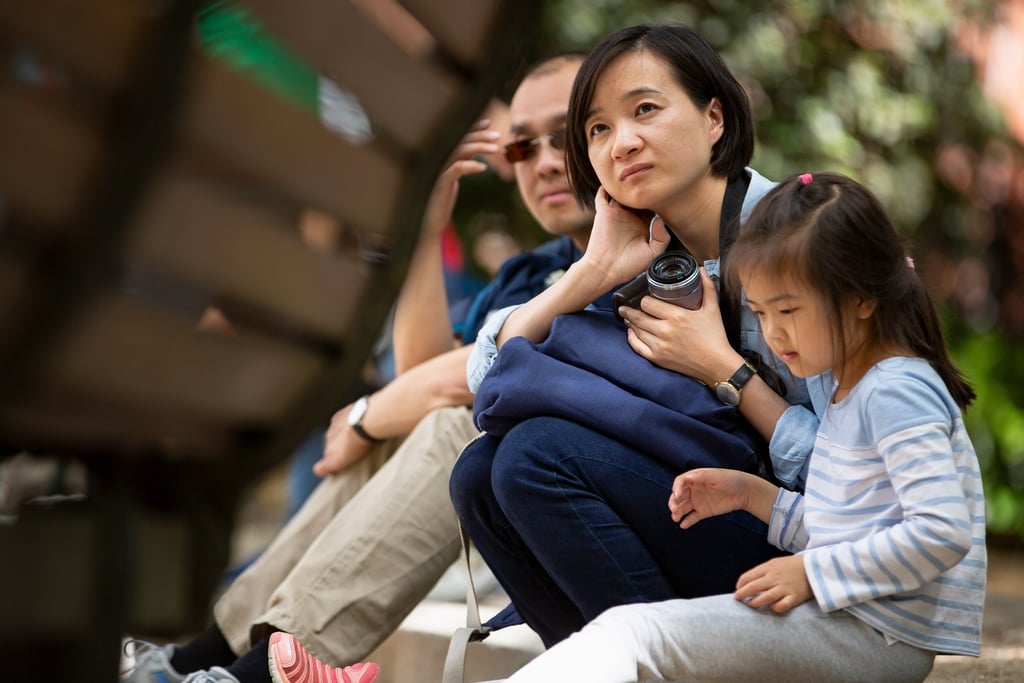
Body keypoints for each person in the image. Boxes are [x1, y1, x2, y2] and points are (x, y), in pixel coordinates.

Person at [122, 53, 594, 683]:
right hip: (542, 496)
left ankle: (259, 673)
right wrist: (424, 234)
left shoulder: (644, 249)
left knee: (463, 428)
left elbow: (477, 379)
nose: (544, 161)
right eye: (522, 147)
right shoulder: (533, 271)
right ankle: (202, 662)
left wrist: (370, 413)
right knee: (428, 425)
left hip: (637, 513)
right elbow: (424, 377)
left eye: (565, 135)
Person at [496, 171, 987, 683]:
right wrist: (754, 496)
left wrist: (810, 573)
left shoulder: (895, 389)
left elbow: (941, 532)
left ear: (862, 298)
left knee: (638, 634)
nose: (774, 334)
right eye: (761, 313)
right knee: (633, 631)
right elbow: (850, 527)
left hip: (875, 633)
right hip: (858, 620)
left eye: (788, 310)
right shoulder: (855, 389)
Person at [449, 23, 823, 648]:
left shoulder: (800, 245)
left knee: (534, 457)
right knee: (479, 475)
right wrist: (592, 273)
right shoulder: (645, 248)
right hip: (703, 510)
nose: (622, 143)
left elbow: (856, 474)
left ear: (714, 118)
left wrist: (724, 370)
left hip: (809, 548)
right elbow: (485, 375)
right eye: (598, 128)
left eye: (645, 109)